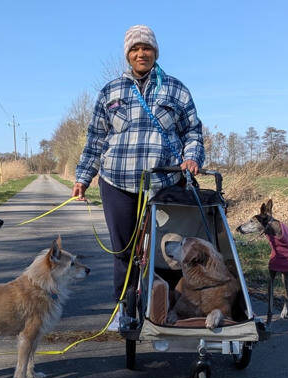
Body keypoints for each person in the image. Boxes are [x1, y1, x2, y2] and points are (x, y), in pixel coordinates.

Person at [72, 24, 204, 330]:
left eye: (146, 48)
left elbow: (193, 132)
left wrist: (192, 157)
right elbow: (95, 139)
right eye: (135, 49)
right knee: (123, 251)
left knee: (168, 249)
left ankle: (168, 305)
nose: (141, 53)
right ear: (127, 55)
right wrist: (83, 177)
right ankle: (125, 308)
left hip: (165, 183)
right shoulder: (110, 91)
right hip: (117, 181)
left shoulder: (176, 89)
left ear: (155, 52)